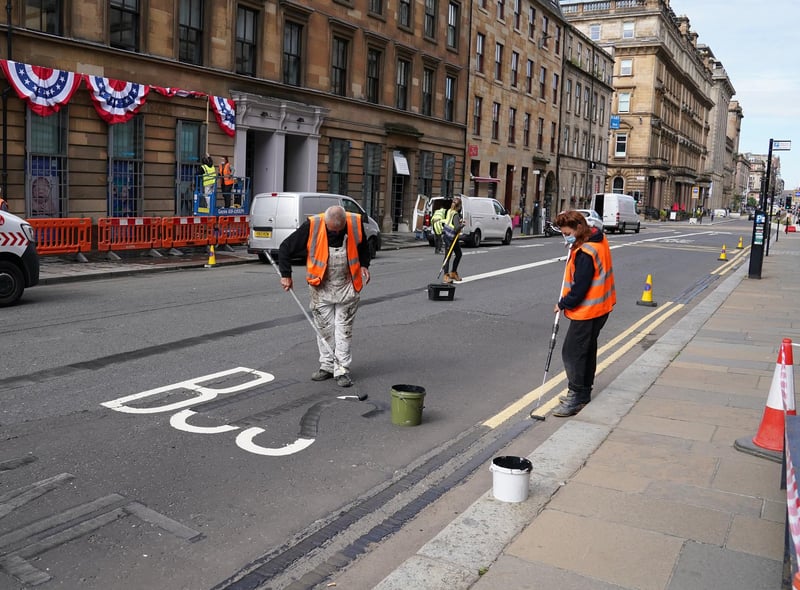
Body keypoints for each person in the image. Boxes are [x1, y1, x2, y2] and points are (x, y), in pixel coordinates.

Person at [278, 205, 371, 388]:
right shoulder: (312, 225)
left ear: (344, 223)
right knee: (324, 329)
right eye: (332, 230)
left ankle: (342, 370)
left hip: (347, 285)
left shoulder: (354, 223)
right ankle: (327, 366)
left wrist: (364, 265)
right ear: (326, 223)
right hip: (320, 287)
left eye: (339, 230)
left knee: (343, 330)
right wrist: (285, 275)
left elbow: (363, 247)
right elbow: (285, 248)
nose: (336, 233)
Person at [551, 209, 616, 417]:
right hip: (601, 307)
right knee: (586, 350)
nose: (565, 237)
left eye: (567, 233)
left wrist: (563, 304)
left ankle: (575, 396)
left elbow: (580, 289)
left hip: (588, 310)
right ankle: (584, 392)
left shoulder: (585, 253)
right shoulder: (598, 238)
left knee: (572, 353)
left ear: (578, 229)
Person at [441, 196, 465, 284]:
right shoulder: (455, 214)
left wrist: (458, 223)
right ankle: (446, 275)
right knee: (448, 256)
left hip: (449, 235)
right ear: (459, 206)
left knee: (458, 254)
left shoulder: (449, 211)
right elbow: (456, 228)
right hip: (450, 237)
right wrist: (462, 225)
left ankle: (453, 273)